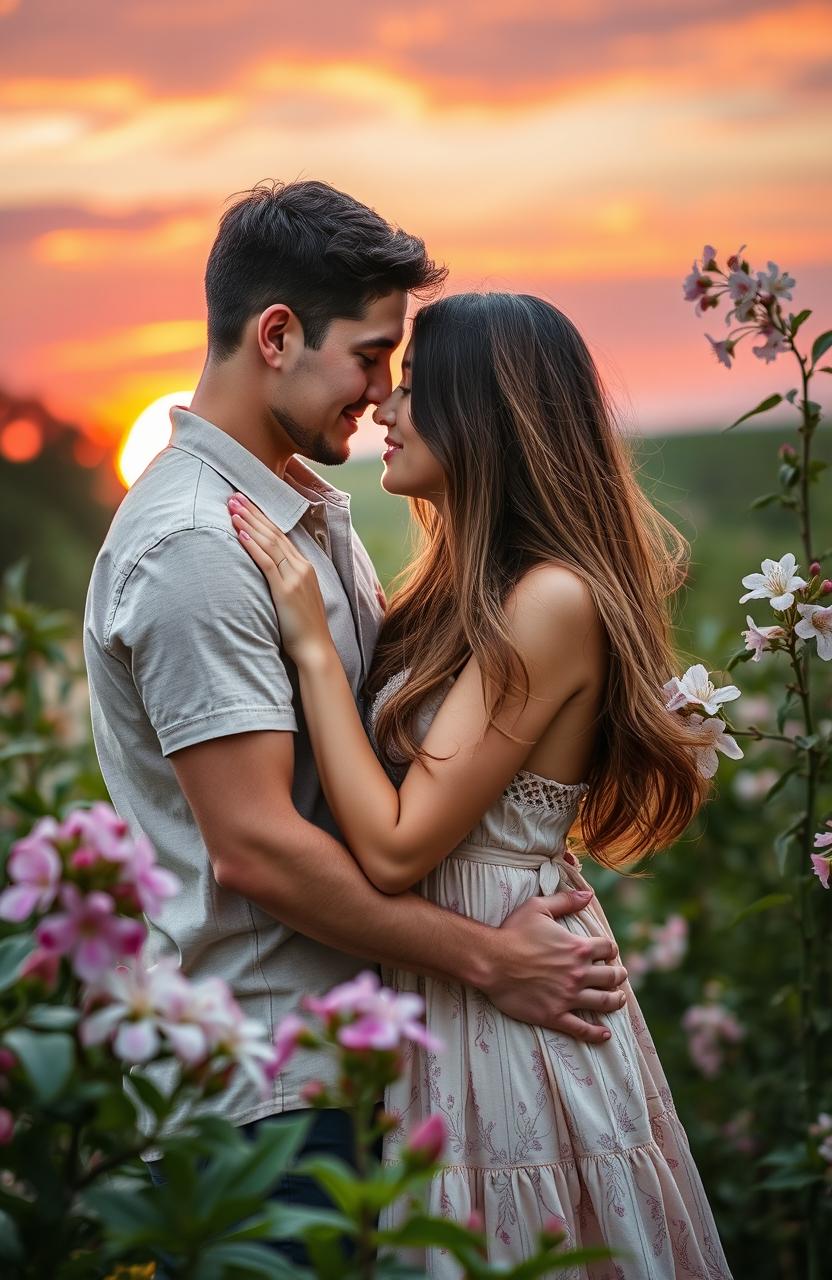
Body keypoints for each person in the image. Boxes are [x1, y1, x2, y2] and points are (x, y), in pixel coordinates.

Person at [82, 183, 628, 1240]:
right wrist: (485, 953)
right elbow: (257, 850)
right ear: (277, 335)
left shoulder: (307, 511)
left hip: (365, 1065)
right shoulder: (198, 546)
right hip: (267, 1091)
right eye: (373, 356)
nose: (382, 395)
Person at [230, 291, 733, 1277]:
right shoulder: (458, 594)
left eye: (414, 386)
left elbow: (395, 844)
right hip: (470, 976)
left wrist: (310, 647)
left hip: (516, 1004)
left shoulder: (549, 600)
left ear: (484, 414)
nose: (385, 405)